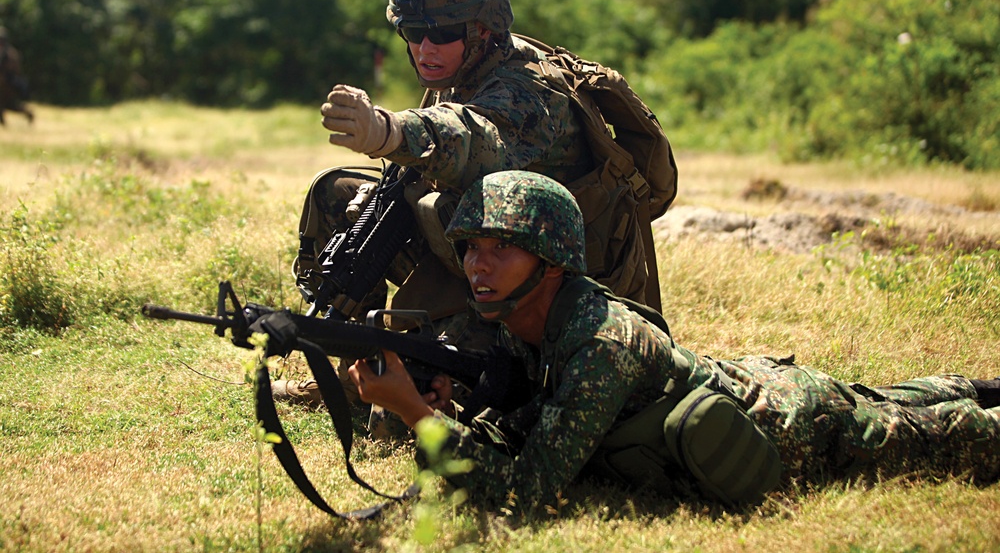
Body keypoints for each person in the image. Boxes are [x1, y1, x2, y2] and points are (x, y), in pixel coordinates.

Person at [347, 169, 1000, 510]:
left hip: (791, 425)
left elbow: (529, 490)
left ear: (550, 262)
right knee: (895, 398)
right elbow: (525, 419)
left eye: (501, 250)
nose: (478, 267)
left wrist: (414, 412)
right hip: (751, 385)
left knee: (947, 436)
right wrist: (447, 411)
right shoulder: (527, 320)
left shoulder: (602, 343)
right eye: (471, 249)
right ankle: (973, 381)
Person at [278, 0, 661, 415]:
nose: (423, 48)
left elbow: (477, 139)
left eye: (441, 33)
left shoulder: (529, 88)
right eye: (412, 31)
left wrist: (388, 130)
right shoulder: (461, 72)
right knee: (340, 197)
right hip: (486, 261)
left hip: (548, 292)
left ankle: (380, 386)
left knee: (408, 412)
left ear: (484, 28)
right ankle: (355, 368)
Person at [0, 27, 34, 126]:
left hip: (9, 84)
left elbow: (14, 71)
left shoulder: (10, 54)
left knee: (12, 105)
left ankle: (28, 114)